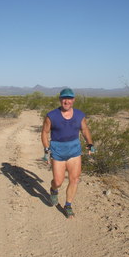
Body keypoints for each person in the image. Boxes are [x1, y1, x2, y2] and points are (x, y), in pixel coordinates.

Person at [41, 88, 95, 218]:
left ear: (73, 100)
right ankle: (54, 190)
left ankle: (68, 205)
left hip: (74, 150)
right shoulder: (51, 115)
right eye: (64, 98)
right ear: (60, 99)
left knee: (74, 179)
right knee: (58, 181)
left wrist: (90, 143)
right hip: (58, 151)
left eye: (69, 98)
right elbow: (44, 132)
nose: (66, 101)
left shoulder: (79, 115)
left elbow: (85, 129)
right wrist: (46, 150)